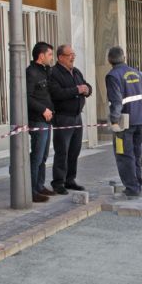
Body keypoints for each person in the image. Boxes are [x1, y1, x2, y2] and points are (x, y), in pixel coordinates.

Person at [105, 46, 142, 199]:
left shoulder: (112, 76)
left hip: (124, 123)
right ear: (124, 57)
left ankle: (132, 189)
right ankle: (138, 184)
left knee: (124, 155)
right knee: (136, 154)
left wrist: (114, 121)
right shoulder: (136, 72)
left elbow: (116, 101)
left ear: (109, 60)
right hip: (139, 119)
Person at [48, 44, 92, 195]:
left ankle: (70, 179)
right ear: (60, 57)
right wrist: (77, 90)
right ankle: (58, 182)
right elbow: (56, 93)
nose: (73, 57)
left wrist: (87, 90)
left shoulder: (76, 71)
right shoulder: (54, 73)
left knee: (74, 150)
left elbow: (87, 86)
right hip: (63, 117)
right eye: (69, 55)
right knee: (62, 151)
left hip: (76, 117)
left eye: (74, 55)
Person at [26, 41, 56, 203]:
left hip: (47, 120)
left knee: (43, 156)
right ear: (41, 55)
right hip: (38, 120)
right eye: (50, 54)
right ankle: (31, 191)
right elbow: (27, 97)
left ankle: (39, 186)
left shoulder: (45, 71)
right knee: (36, 157)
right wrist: (43, 110)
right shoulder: (31, 73)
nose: (52, 58)